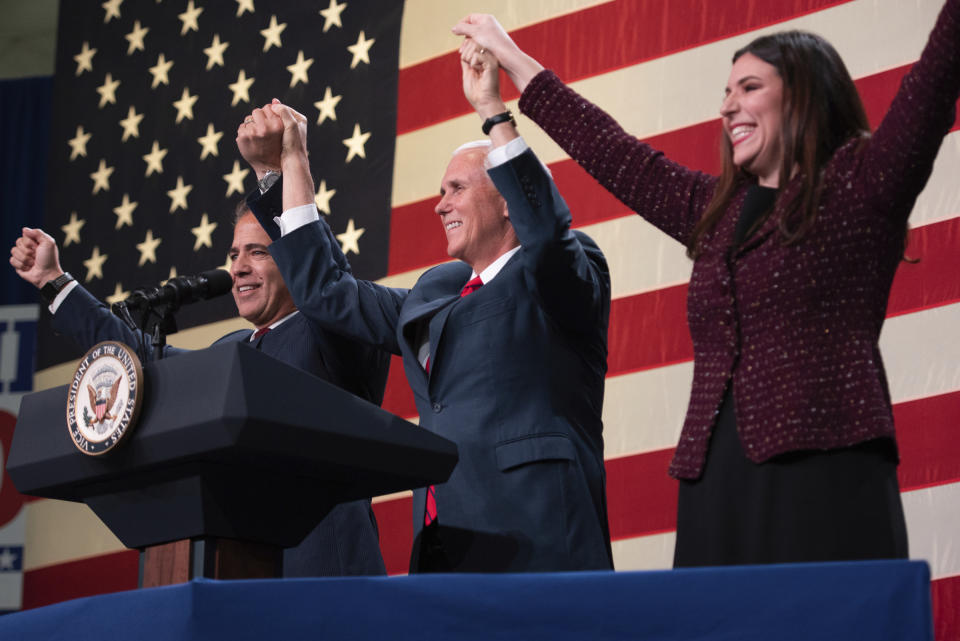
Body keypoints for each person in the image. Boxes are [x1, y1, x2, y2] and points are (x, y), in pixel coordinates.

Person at [453, 1, 960, 567]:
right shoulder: (719, 211)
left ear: (804, 95)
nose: (727, 107)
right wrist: (501, 91)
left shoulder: (863, 185)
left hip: (823, 470)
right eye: (725, 91)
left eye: (748, 87)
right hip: (714, 482)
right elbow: (613, 152)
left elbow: (934, 79)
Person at [234, 48, 614, 572]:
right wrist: (286, 169)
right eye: (440, 191)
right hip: (442, 552)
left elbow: (548, 235)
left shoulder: (557, 275)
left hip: (539, 541)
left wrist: (492, 111)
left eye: (457, 188)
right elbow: (326, 293)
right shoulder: (436, 296)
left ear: (506, 200)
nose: (439, 205)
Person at [9, 205, 391, 577]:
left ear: (296, 259)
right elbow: (138, 356)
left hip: (324, 581)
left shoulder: (335, 330)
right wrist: (53, 281)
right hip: (237, 575)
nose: (238, 267)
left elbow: (325, 276)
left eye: (258, 252)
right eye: (234, 254)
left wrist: (278, 171)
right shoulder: (229, 350)